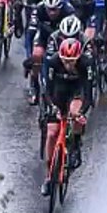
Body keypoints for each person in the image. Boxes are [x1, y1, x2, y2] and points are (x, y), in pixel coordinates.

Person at [39, 36, 94, 194]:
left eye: (72, 61)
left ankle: (75, 144)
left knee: (75, 112)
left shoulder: (86, 63)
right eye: (65, 61)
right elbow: (47, 91)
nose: (68, 64)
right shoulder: (53, 61)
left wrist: (81, 113)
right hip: (58, 91)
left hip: (77, 90)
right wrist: (52, 107)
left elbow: (89, 96)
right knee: (51, 133)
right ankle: (49, 177)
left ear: (78, 58)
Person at [27, 0, 78, 105]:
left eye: (55, 9)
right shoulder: (39, 9)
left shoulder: (69, 11)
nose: (52, 13)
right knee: (37, 55)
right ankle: (34, 84)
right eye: (49, 9)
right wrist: (29, 58)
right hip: (44, 37)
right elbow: (30, 35)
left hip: (62, 39)